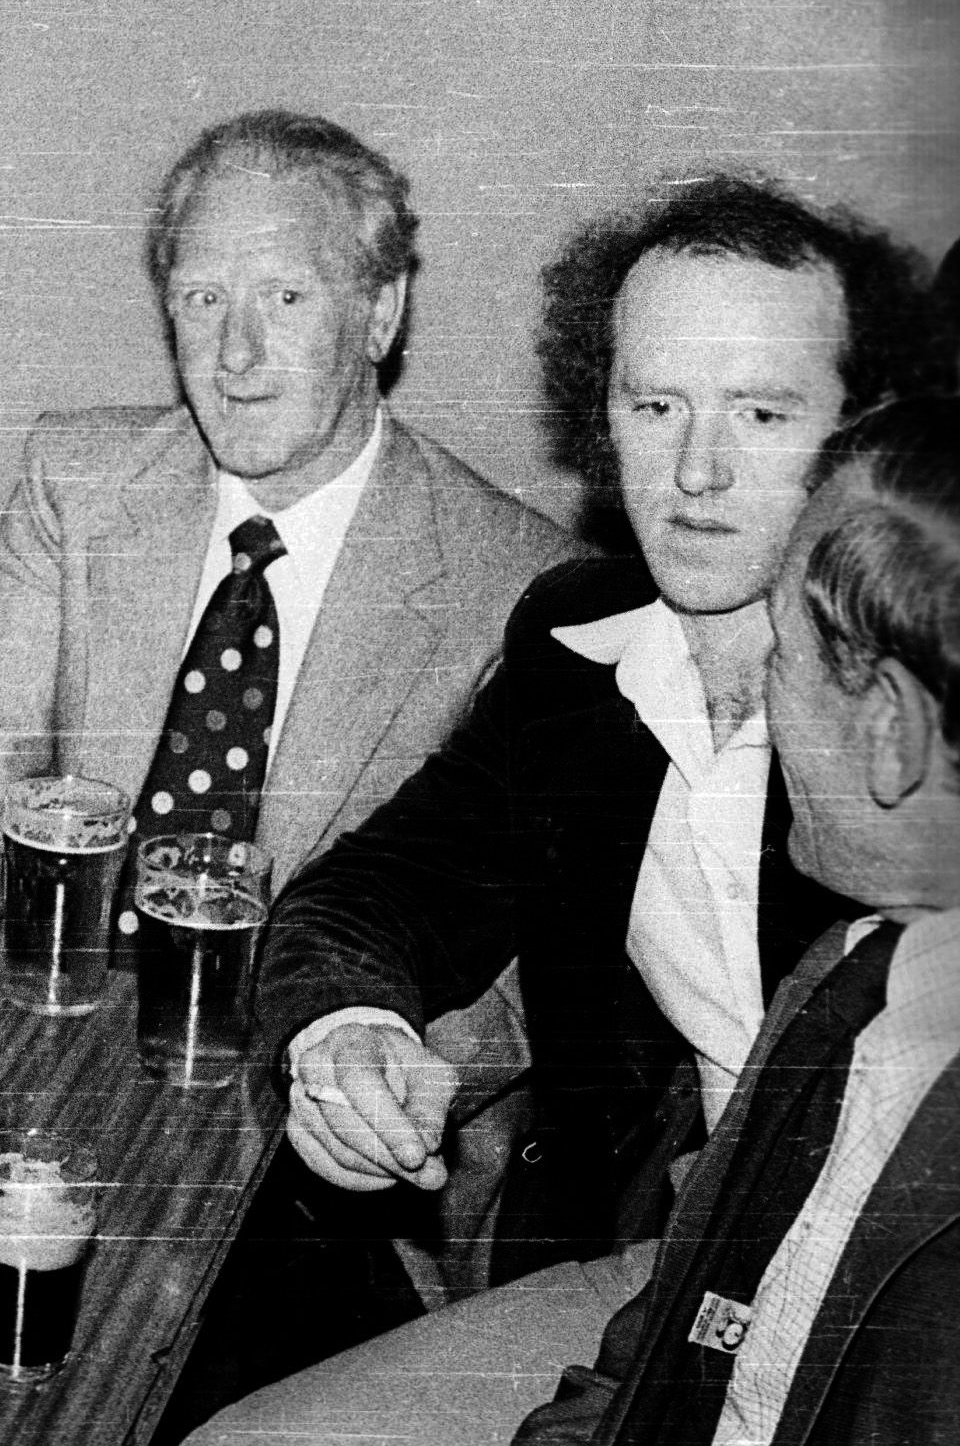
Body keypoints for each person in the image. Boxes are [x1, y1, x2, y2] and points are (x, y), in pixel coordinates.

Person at [193, 176, 943, 1444]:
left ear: (859, 434)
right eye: (654, 404)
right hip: (669, 1267)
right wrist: (348, 1030)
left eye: (761, 412)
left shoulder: (914, 719)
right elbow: (376, 886)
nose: (694, 470)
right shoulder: (577, 647)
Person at [0, 109, 578, 934]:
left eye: (285, 297)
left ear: (380, 314)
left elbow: (509, 955)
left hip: (304, 1043)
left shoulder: (516, 584)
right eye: (204, 298)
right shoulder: (78, 481)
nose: (237, 353)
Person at [515, 396, 959, 1445]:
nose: (761, 684)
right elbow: (668, 1347)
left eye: (785, 658)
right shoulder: (848, 972)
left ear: (889, 730)